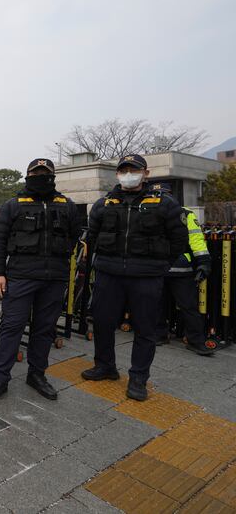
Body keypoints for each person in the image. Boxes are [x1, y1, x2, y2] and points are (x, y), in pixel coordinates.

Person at [82, 155, 187, 401]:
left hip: (146, 276)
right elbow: (93, 236)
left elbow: (178, 239)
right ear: (117, 174)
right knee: (102, 322)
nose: (129, 174)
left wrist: (160, 266)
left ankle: (138, 378)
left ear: (146, 173)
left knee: (145, 328)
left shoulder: (165, 203)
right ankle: (105, 366)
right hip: (109, 274)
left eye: (134, 169)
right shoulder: (104, 203)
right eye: (124, 170)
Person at [0, 158, 81, 401]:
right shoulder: (13, 205)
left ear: (53, 175)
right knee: (11, 327)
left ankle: (37, 374)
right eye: (36, 172)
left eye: (45, 172)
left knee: (44, 329)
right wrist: (0, 274)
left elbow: (74, 236)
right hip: (20, 276)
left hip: (54, 279)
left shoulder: (67, 205)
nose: (40, 176)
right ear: (28, 175)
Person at [151, 182, 214, 356]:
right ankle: (160, 334)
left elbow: (197, 240)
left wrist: (204, 262)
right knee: (155, 305)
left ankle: (196, 341)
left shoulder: (185, 214)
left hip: (181, 270)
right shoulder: (146, 213)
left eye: (164, 194)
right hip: (156, 268)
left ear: (172, 195)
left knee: (188, 307)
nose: (160, 198)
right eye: (157, 195)